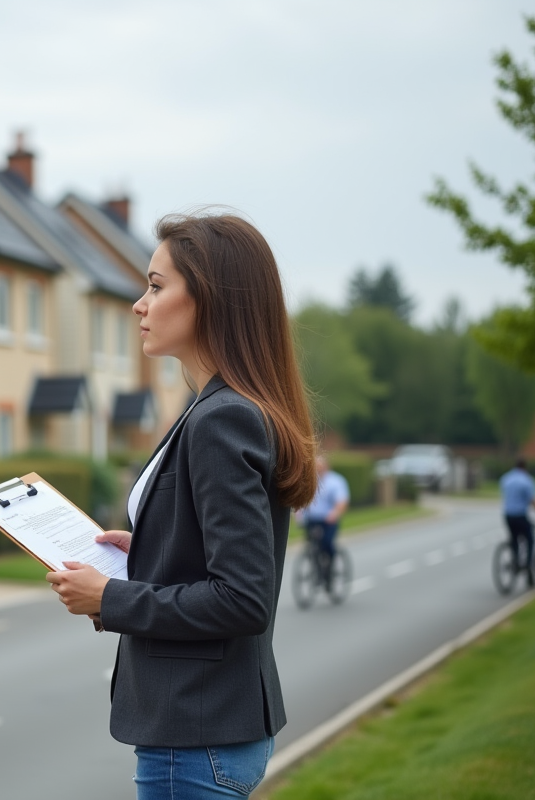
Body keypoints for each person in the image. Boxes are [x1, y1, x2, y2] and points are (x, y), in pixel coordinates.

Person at [45, 212, 317, 798]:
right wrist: (147, 548)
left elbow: (242, 598)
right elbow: (212, 554)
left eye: (156, 286)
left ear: (209, 299)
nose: (138, 305)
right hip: (208, 728)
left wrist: (110, 597)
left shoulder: (222, 418)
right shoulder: (212, 407)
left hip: (195, 734)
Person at [297, 454, 351, 584]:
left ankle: (330, 569)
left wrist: (335, 514)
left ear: (326, 466)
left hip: (328, 520)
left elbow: (341, 501)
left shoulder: (336, 481)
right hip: (312, 520)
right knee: (312, 545)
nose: (317, 468)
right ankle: (316, 569)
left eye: (320, 466)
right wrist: (299, 516)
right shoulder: (308, 481)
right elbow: (301, 501)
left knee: (327, 543)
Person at [500, 458, 535, 586]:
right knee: (530, 540)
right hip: (520, 515)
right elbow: (532, 500)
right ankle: (528, 568)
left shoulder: (506, 478)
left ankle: (515, 562)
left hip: (508, 515)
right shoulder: (526, 480)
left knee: (514, 539)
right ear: (525, 467)